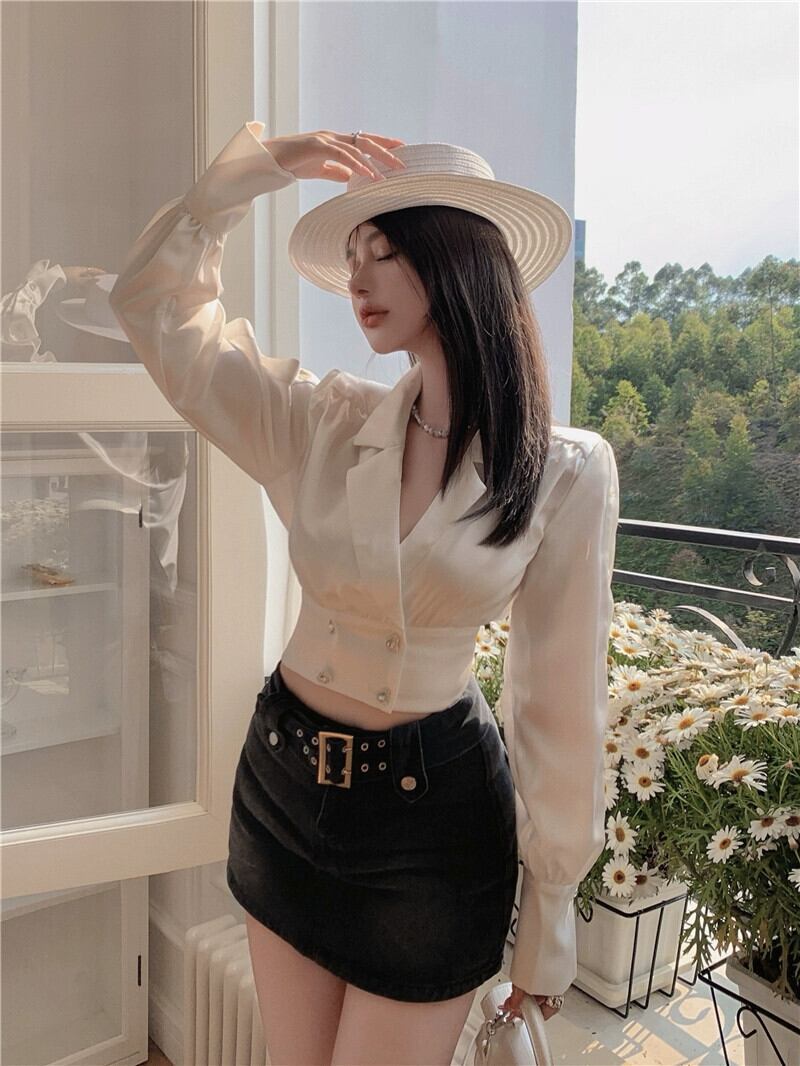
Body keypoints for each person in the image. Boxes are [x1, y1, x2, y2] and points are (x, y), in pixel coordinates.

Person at [109, 124, 619, 1066]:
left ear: (455, 257)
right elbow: (153, 309)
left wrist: (550, 917)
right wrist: (252, 172)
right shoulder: (321, 420)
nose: (358, 278)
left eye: (383, 251)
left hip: (435, 832)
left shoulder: (563, 470)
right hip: (282, 788)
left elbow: (558, 704)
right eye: (351, 257)